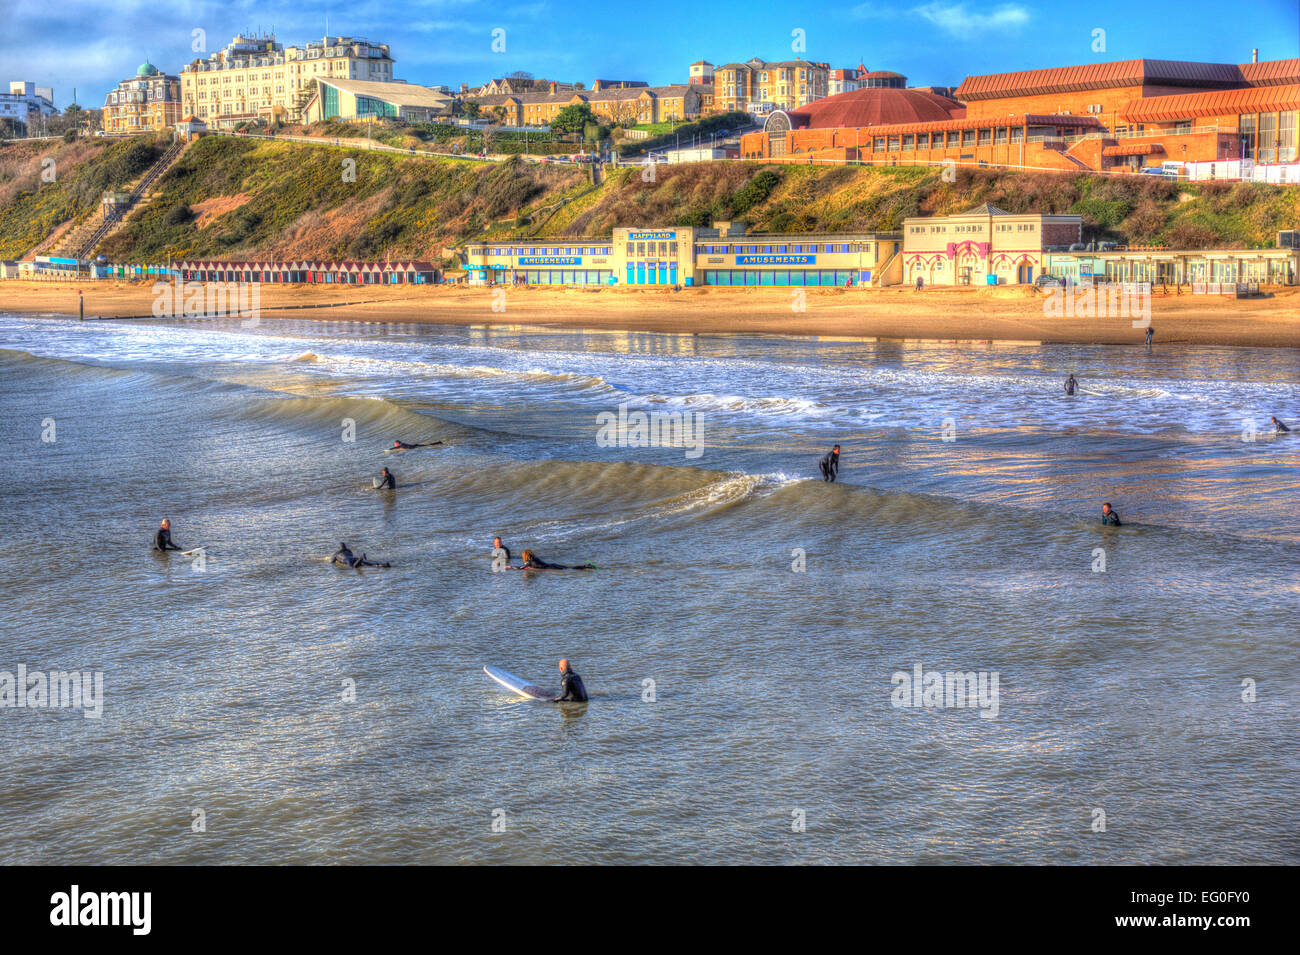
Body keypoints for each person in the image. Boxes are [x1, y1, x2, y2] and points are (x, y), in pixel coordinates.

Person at [519, 549, 594, 570]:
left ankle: (586, 567)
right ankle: (586, 566)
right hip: (552, 564)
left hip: (550, 567)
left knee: (570, 569)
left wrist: (508, 567)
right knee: (570, 568)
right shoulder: (536, 558)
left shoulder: (529, 562)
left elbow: (521, 568)